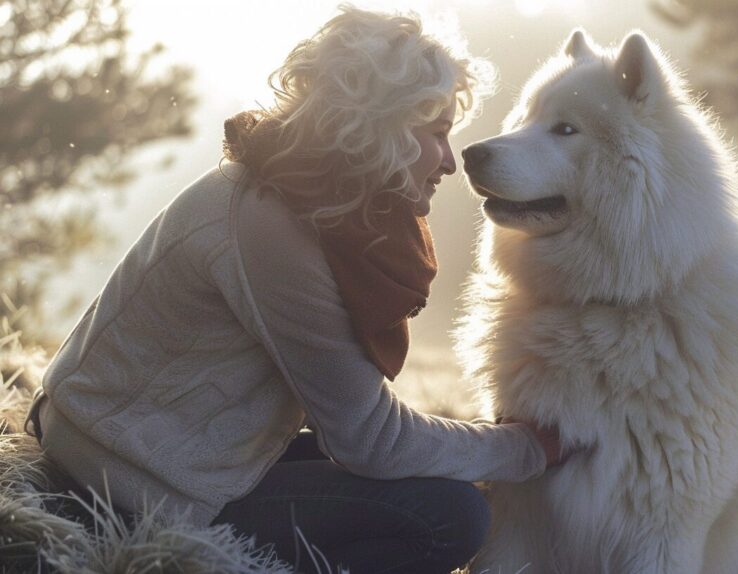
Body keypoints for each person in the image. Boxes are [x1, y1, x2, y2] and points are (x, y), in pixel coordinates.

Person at [25, 6, 566, 573]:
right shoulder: (272, 226)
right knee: (449, 514)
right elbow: (370, 441)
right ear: (380, 128)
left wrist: (479, 449)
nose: (451, 163)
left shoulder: (299, 198)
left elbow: (352, 425)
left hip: (139, 452)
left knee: (438, 477)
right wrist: (524, 448)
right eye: (436, 134)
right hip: (129, 488)